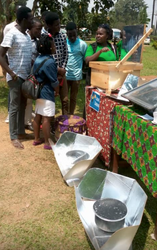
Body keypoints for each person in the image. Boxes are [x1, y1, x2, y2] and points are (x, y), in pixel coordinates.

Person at [0, 6, 33, 149]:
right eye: (31, 18)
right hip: (15, 76)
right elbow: (1, 56)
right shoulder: (11, 33)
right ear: (24, 19)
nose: (32, 20)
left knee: (23, 105)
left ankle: (20, 132)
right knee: (14, 106)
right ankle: (13, 137)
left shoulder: (27, 35)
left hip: (25, 76)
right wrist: (10, 72)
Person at [33, 35, 59, 150]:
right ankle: (48, 143)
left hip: (38, 91)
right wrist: (57, 91)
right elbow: (54, 81)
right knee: (47, 118)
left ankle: (37, 138)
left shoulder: (38, 59)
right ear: (49, 47)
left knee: (38, 116)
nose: (55, 47)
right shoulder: (50, 62)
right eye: (53, 45)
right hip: (47, 92)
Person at [45, 12, 68, 115]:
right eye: (56, 25)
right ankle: (51, 125)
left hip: (62, 74)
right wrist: (56, 70)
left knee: (65, 100)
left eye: (59, 24)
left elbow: (66, 54)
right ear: (49, 25)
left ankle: (65, 122)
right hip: (49, 75)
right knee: (50, 102)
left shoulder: (62, 37)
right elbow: (45, 58)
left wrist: (62, 70)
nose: (59, 27)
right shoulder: (44, 38)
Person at [25, 18, 42, 131]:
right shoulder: (24, 39)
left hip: (33, 75)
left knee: (30, 98)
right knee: (24, 100)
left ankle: (27, 122)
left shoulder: (37, 41)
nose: (40, 32)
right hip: (23, 73)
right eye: (38, 29)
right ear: (30, 28)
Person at [66, 22, 87, 114]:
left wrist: (81, 70)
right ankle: (65, 116)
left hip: (76, 77)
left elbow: (85, 59)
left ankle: (71, 115)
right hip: (65, 76)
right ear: (67, 34)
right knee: (65, 99)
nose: (72, 38)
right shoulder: (64, 43)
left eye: (74, 35)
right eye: (70, 35)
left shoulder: (82, 45)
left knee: (73, 98)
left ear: (76, 32)